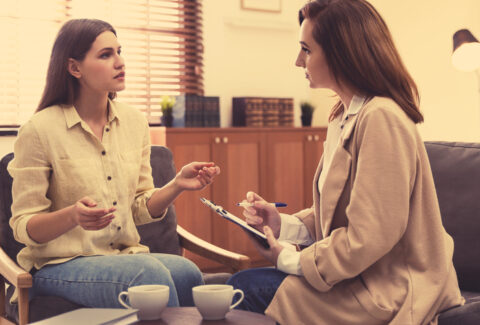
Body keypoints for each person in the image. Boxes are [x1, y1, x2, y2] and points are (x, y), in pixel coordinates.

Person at [227, 0, 464, 324]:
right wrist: (284, 225)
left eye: (306, 50)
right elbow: (341, 212)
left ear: (341, 53)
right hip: (357, 278)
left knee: (241, 288)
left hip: (388, 290)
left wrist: (291, 261)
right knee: (242, 287)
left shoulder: (382, 118)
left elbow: (369, 235)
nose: (298, 61)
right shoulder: (344, 115)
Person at [8, 18, 220, 308]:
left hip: (122, 256)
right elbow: (24, 226)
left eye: (119, 51)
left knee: (187, 272)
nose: (120, 62)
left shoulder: (134, 122)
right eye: (106, 55)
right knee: (149, 275)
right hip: (57, 266)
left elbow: (138, 208)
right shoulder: (38, 130)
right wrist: (73, 216)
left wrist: (176, 185)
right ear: (74, 68)